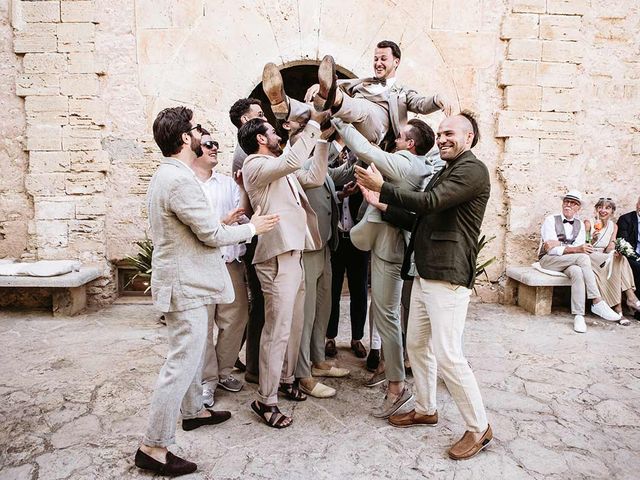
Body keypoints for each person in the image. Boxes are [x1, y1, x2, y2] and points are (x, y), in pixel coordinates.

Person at [135, 107, 279, 476]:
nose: (202, 135)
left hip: (185, 282)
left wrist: (225, 221)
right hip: (187, 287)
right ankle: (153, 446)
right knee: (181, 365)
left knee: (190, 358)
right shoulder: (181, 181)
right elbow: (211, 237)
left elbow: (198, 228)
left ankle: (194, 412)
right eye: (197, 130)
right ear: (185, 138)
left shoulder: (169, 175)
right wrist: (253, 228)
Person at [355, 111, 492, 460]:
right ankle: (426, 408)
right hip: (425, 271)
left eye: (450, 133)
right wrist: (381, 203)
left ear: (469, 138)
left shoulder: (472, 170)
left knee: (449, 354)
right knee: (416, 344)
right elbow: (422, 217)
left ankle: (479, 427)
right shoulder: (447, 170)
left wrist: (381, 186)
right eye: (441, 133)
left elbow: (429, 202)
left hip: (448, 273)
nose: (443, 138)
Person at [333, 116, 436, 417]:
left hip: (390, 249)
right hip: (384, 245)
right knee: (385, 314)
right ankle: (390, 372)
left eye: (401, 136)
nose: (397, 139)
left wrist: (338, 120)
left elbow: (366, 149)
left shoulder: (405, 162)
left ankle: (396, 387)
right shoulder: (417, 164)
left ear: (410, 143)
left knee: (387, 317)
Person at [239, 112, 328, 428]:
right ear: (261, 139)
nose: (278, 133)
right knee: (276, 330)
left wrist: (324, 139)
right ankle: (266, 400)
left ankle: (288, 378)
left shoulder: (280, 168)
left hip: (295, 252)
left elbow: (315, 176)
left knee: (295, 323)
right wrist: (313, 124)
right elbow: (291, 160)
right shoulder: (255, 164)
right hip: (276, 256)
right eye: (272, 131)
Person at [262, 40, 451, 152]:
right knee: (318, 111)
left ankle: (333, 98)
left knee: (360, 109)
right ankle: (284, 106)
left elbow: (421, 104)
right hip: (349, 116)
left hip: (376, 126)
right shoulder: (363, 81)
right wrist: (318, 85)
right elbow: (338, 83)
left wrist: (438, 99)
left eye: (383, 59)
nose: (378, 63)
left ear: (396, 62)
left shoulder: (402, 92)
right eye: (375, 59)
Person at [191, 132, 252, 406]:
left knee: (235, 320)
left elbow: (243, 218)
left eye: (216, 143)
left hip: (230, 265)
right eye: (208, 144)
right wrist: (222, 223)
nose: (215, 148)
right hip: (200, 265)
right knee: (202, 326)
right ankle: (207, 380)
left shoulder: (228, 184)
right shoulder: (185, 185)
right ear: (194, 149)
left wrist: (243, 190)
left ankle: (223, 371)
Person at [538, 190, 623, 332]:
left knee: (577, 271)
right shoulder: (551, 220)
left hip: (569, 261)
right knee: (583, 257)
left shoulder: (580, 225)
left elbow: (573, 248)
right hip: (548, 260)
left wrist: (560, 244)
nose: (568, 205)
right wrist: (574, 248)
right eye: (566, 202)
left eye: (573, 203)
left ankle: (579, 316)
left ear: (578, 208)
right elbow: (550, 250)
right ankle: (597, 301)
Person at [228, 97, 267, 383]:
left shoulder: (245, 152)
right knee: (259, 303)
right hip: (255, 233)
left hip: (255, 231)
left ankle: (238, 357)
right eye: (259, 113)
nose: (265, 117)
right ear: (246, 121)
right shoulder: (246, 154)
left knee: (256, 303)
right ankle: (252, 365)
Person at [584, 198, 640, 322]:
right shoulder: (589, 223)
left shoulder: (614, 226)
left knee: (620, 258)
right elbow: (584, 244)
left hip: (604, 256)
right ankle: (628, 300)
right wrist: (592, 240)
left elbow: (611, 245)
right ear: (596, 209)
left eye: (607, 208)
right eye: (600, 207)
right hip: (590, 255)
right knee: (617, 263)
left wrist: (613, 251)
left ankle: (621, 308)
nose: (603, 210)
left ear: (612, 212)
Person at [617, 196, 640, 319]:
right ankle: (638, 310)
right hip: (631, 256)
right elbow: (624, 243)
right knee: (639, 266)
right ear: (637, 204)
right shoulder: (626, 219)